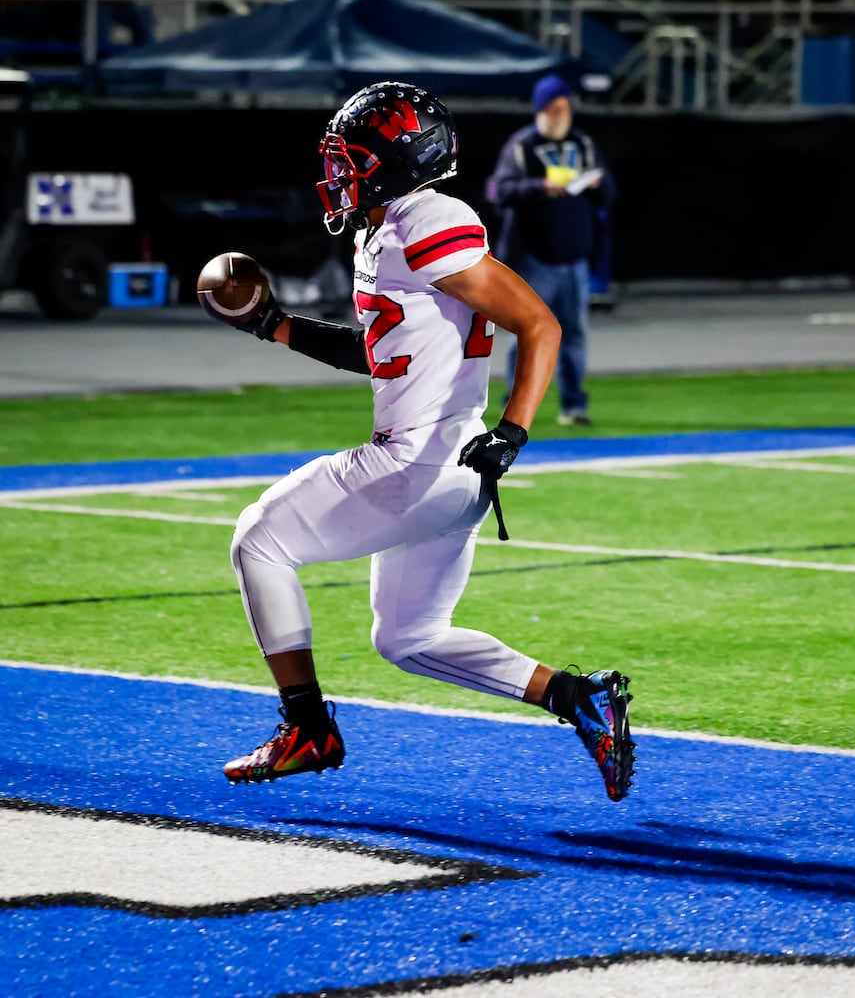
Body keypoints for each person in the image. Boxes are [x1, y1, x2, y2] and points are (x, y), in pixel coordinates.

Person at [200, 81, 636, 802]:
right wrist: (272, 325)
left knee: (258, 540)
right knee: (408, 637)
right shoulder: (388, 229)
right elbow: (383, 351)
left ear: (395, 161)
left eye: (353, 158)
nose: (339, 171)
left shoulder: (426, 218)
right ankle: (576, 697)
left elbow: (540, 322)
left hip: (419, 462)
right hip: (455, 476)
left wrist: (516, 430)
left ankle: (305, 727)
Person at [486, 73, 615, 427]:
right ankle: (514, 405)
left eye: (566, 108)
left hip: (574, 259)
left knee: (573, 334)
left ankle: (574, 403)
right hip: (534, 259)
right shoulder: (522, 146)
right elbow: (499, 191)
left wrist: (597, 184)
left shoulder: (583, 144)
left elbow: (609, 195)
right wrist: (541, 187)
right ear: (541, 110)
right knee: (527, 333)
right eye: (555, 108)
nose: (562, 115)